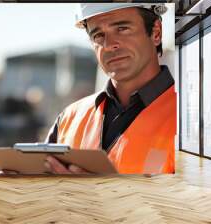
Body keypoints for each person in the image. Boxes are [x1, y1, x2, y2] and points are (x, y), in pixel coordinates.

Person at [43, 3, 176, 174]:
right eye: (98, 35)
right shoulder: (70, 118)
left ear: (156, 32)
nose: (108, 44)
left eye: (122, 28)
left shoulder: (190, 122)